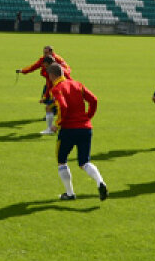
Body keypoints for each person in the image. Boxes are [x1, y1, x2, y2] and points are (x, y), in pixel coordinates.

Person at [46, 63, 108, 202]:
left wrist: (57, 124)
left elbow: (63, 106)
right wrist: (88, 117)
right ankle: (100, 182)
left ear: (52, 75)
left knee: (61, 161)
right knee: (84, 162)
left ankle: (70, 193)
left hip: (68, 130)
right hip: (85, 128)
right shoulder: (77, 84)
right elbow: (94, 100)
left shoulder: (57, 88)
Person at [17, 46, 70, 134]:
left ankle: (53, 126)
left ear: (51, 52)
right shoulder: (45, 61)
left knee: (53, 107)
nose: (43, 66)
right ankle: (53, 120)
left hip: (60, 88)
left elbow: (68, 71)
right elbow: (34, 67)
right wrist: (23, 71)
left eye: (46, 52)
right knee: (49, 105)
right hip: (55, 87)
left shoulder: (57, 62)